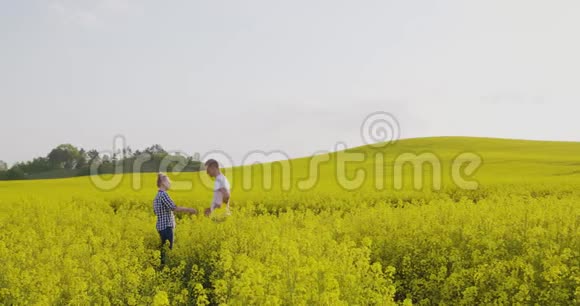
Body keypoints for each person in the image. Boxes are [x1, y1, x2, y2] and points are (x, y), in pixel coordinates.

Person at [153, 173, 197, 264]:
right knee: (167, 251)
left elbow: (156, 211)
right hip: (166, 227)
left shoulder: (157, 196)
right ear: (163, 182)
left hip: (161, 227)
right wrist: (189, 210)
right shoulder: (164, 195)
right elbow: (174, 208)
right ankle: (164, 267)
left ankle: (161, 266)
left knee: (164, 250)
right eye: (169, 181)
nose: (170, 183)